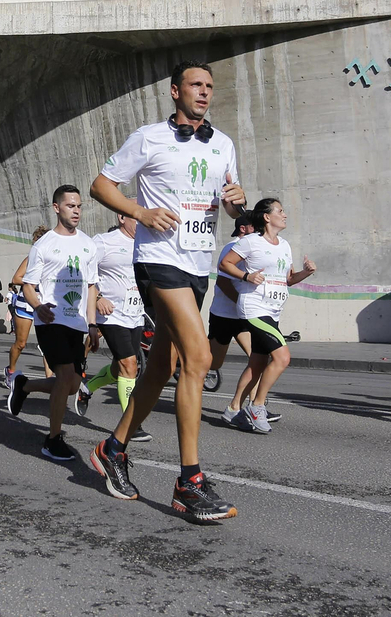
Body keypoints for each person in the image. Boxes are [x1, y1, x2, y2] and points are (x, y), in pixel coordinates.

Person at [88, 61, 245, 522]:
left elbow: (233, 203)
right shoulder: (149, 137)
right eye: (195, 85)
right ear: (175, 91)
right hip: (159, 260)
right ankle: (188, 483)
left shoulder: (223, 144)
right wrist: (139, 212)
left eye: (209, 87)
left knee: (164, 364)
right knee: (197, 359)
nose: (204, 92)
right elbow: (101, 185)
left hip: (198, 264)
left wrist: (237, 206)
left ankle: (112, 448)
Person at [8, 186, 99, 461]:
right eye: (71, 206)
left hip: (77, 322)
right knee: (64, 375)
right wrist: (37, 306)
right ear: (56, 207)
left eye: (79, 206)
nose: (76, 211)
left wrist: (93, 325)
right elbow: (27, 285)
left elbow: (92, 286)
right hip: (50, 320)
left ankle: (23, 386)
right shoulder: (43, 245)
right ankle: (52, 439)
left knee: (71, 384)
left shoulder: (88, 244)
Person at [217, 199, 316, 433]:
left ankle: (233, 409)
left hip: (273, 309)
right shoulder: (251, 242)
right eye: (280, 211)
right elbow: (225, 264)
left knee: (258, 362)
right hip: (254, 308)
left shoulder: (284, 245)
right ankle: (257, 405)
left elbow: (288, 279)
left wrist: (306, 272)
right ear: (267, 217)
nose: (285, 215)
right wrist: (246, 277)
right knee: (282, 358)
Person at [77, 214, 150, 441]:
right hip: (110, 316)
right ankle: (131, 424)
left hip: (135, 314)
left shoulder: (146, 243)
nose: (142, 222)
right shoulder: (104, 241)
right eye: (137, 218)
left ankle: (87, 388)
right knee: (130, 365)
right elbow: (81, 271)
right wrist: (97, 297)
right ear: (121, 217)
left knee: (120, 370)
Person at [205, 215, 256, 397]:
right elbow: (223, 283)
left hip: (244, 317)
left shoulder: (256, 248)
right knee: (212, 363)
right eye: (254, 225)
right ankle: (183, 367)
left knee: (257, 359)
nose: (259, 229)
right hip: (224, 316)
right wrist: (243, 302)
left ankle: (253, 406)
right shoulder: (232, 248)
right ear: (243, 228)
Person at [3, 228, 49, 388]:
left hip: (44, 305)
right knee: (21, 343)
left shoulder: (53, 260)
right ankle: (10, 371)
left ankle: (50, 379)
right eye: (37, 241)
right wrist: (33, 280)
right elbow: (16, 278)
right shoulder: (30, 259)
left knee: (47, 346)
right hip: (25, 305)